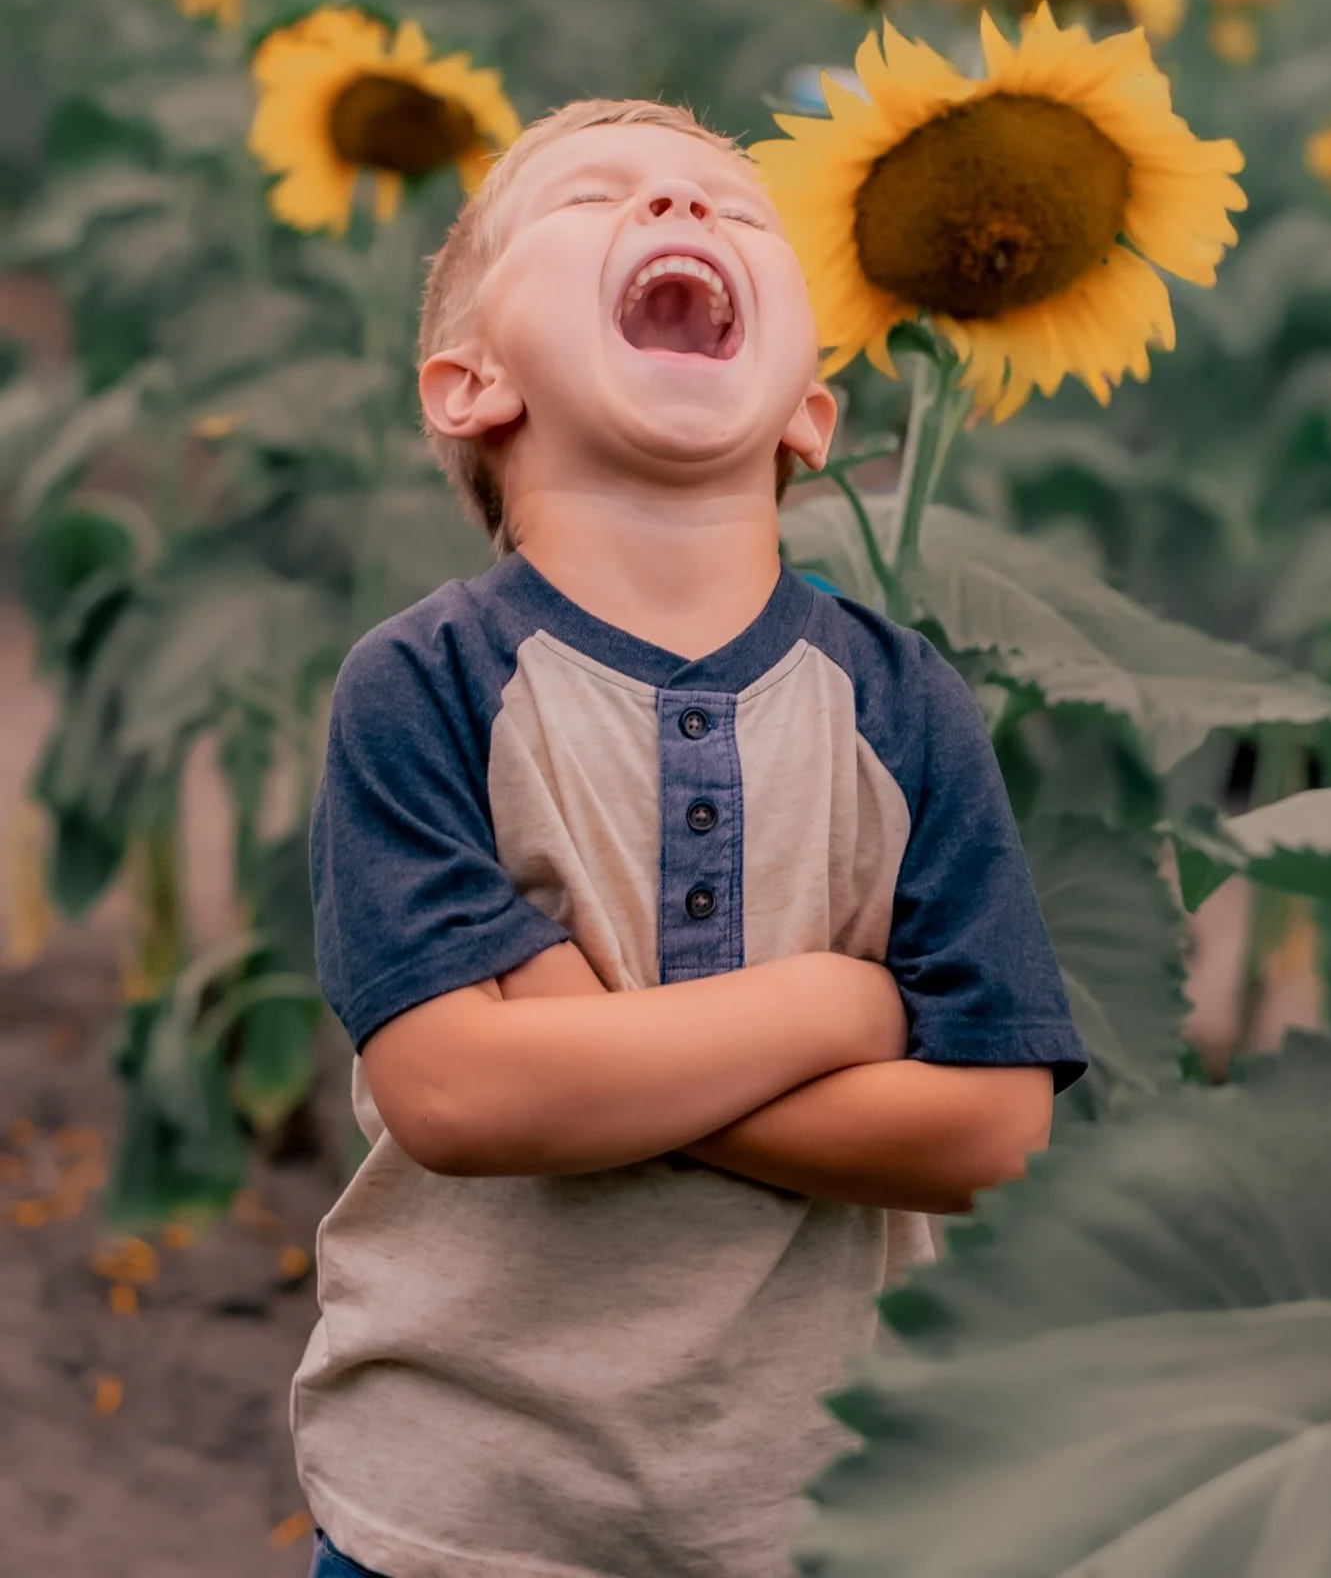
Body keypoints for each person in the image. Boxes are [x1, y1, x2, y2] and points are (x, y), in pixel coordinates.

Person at [291, 97, 1087, 1578]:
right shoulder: (427, 685)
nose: (679, 211)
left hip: (799, 1510)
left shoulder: (904, 706)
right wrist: (832, 1007)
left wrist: (587, 1054)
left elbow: (992, 1133)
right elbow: (459, 1098)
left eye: (732, 208)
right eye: (597, 196)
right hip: (459, 1505)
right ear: (468, 384)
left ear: (811, 413)